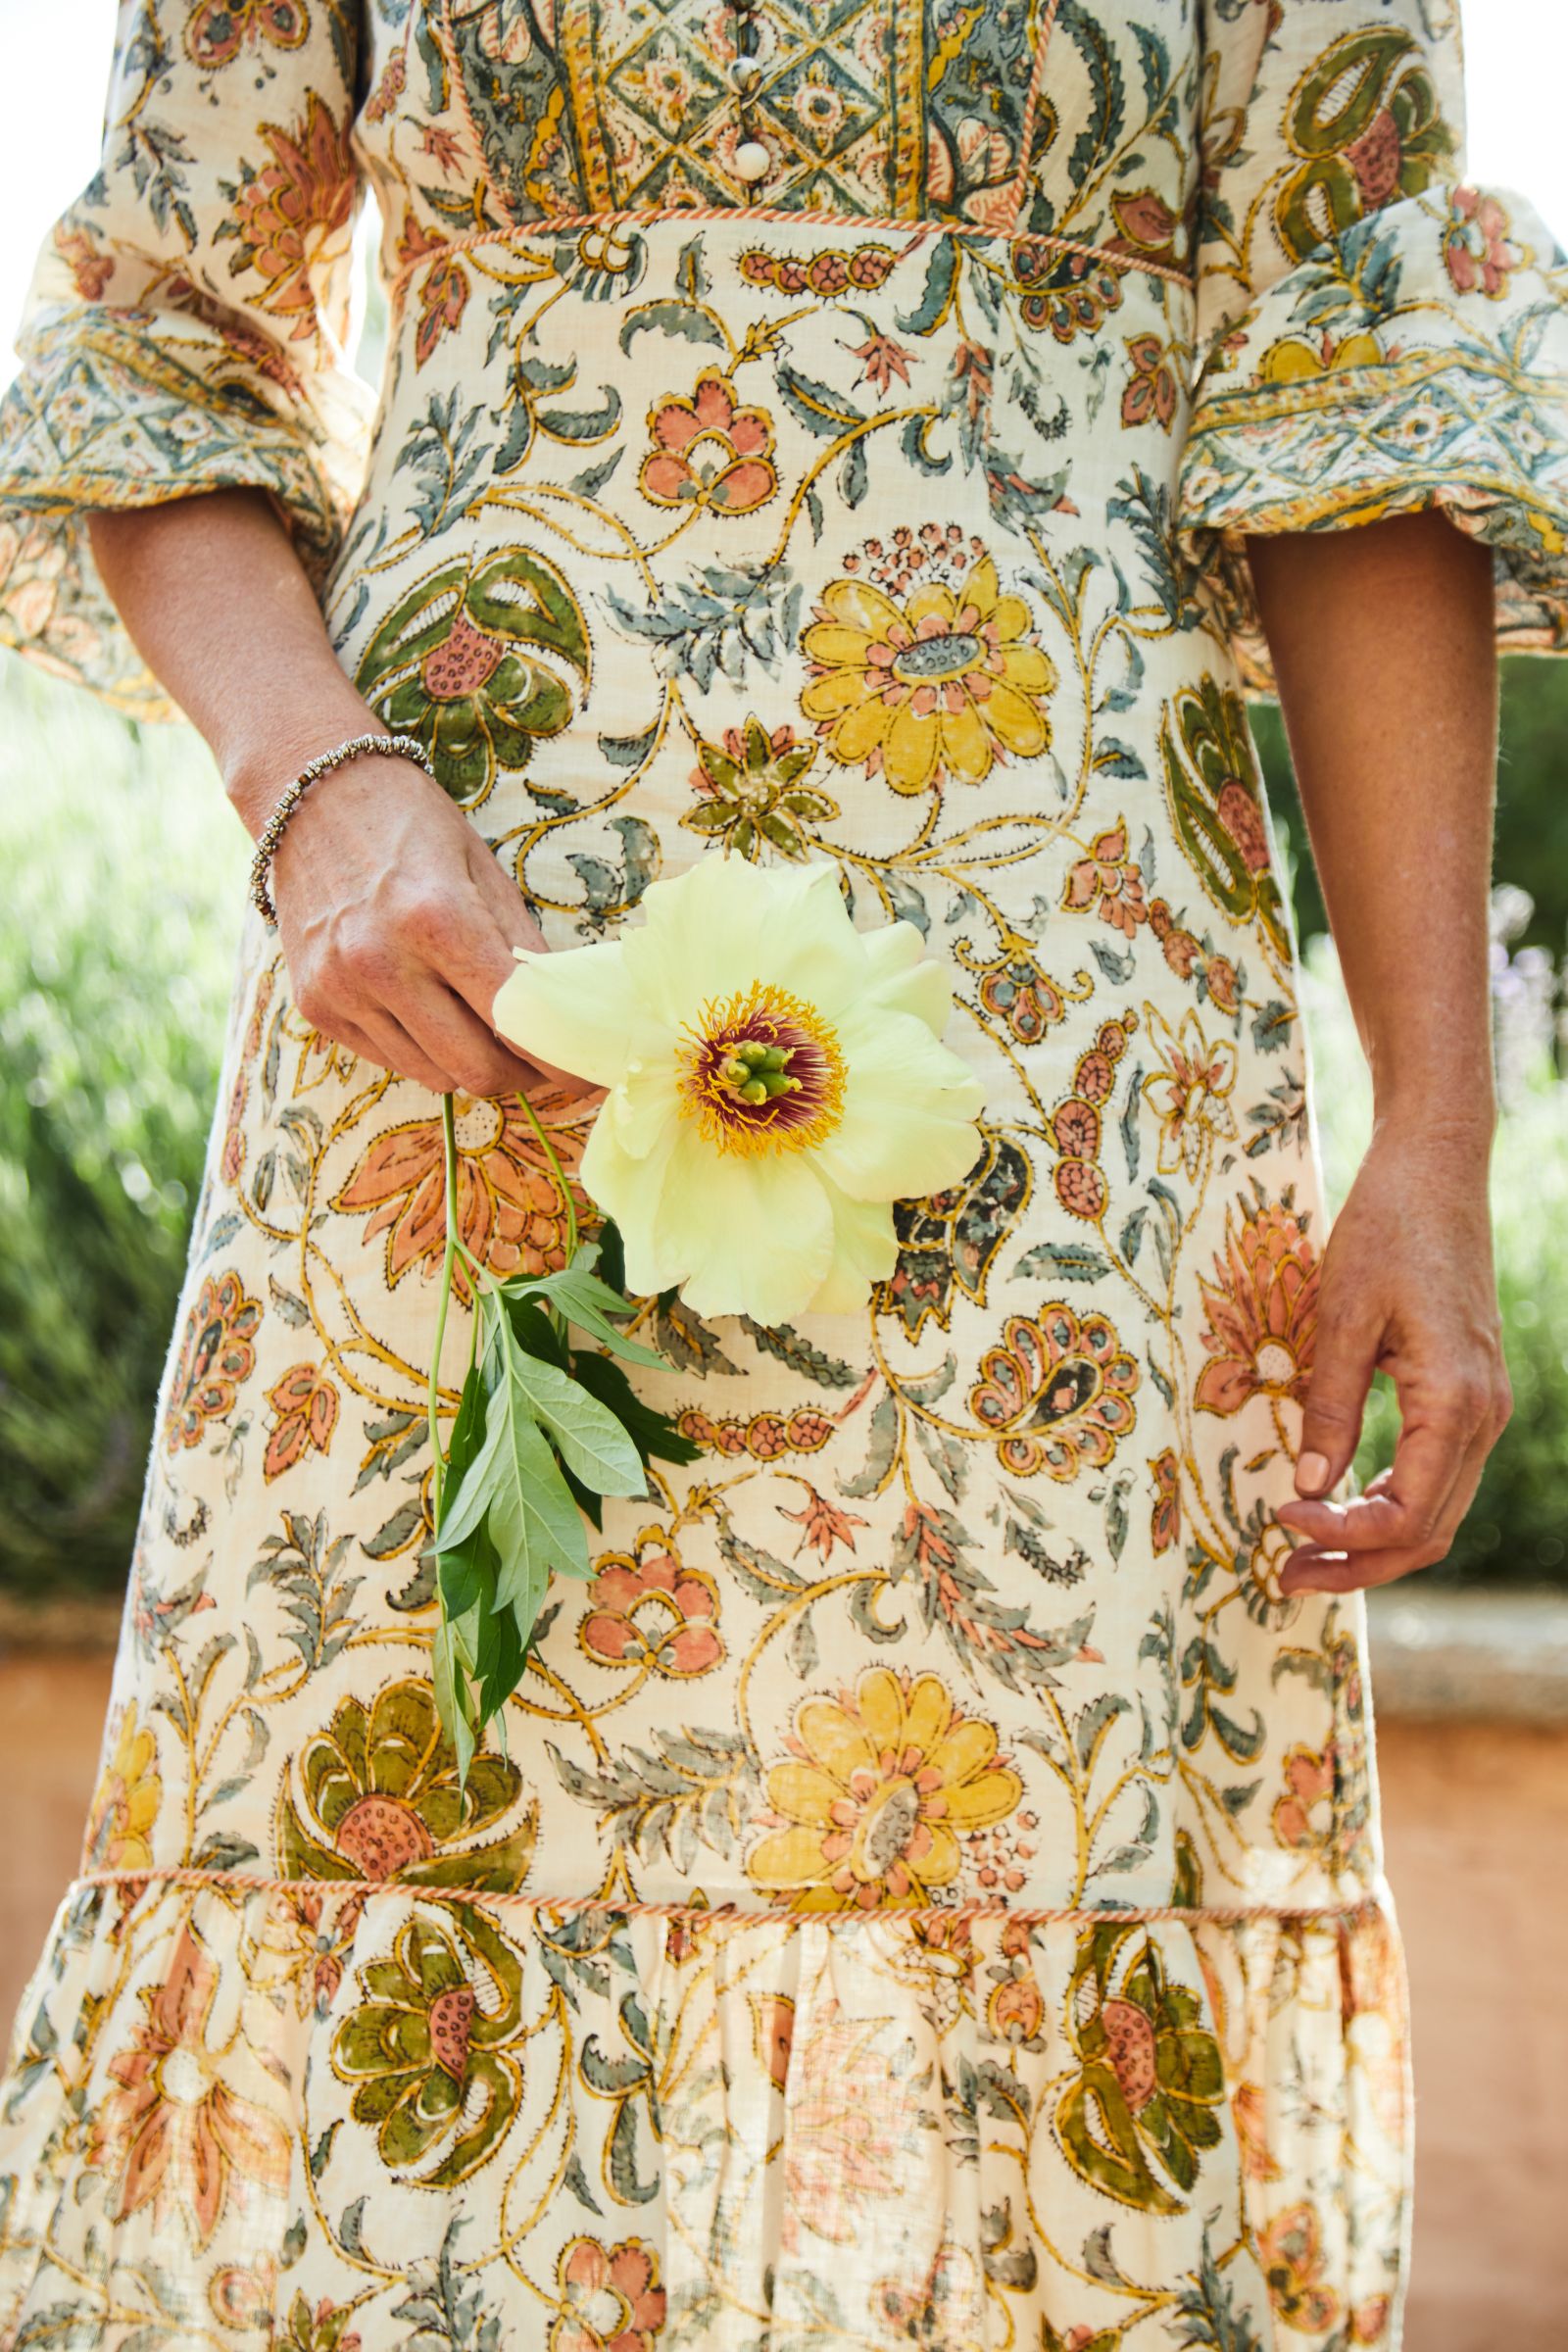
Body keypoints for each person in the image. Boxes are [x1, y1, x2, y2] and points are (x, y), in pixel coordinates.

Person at [0, 1, 1555, 2341]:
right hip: (467, 1028)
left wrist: (1431, 1127)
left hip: (1063, 1069)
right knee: (420, 1834)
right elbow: (163, 346)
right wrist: (313, 785)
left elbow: (1365, 404)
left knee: (1044, 1885)